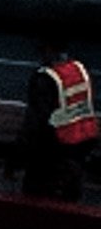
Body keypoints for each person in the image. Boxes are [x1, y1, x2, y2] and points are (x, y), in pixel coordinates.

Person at [8, 35, 97, 201]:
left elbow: (33, 125)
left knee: (37, 200)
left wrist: (16, 159)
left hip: (51, 153)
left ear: (48, 49)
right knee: (70, 202)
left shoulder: (45, 78)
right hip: (80, 148)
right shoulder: (79, 69)